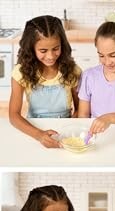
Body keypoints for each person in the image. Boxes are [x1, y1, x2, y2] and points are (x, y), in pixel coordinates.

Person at [9, 15, 81, 148]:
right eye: (43, 50)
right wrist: (39, 135)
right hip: (33, 130)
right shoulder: (20, 72)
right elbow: (13, 115)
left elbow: (80, 108)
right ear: (31, 48)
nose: (50, 56)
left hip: (64, 132)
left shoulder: (72, 71)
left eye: (55, 49)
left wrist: (67, 130)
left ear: (62, 45)